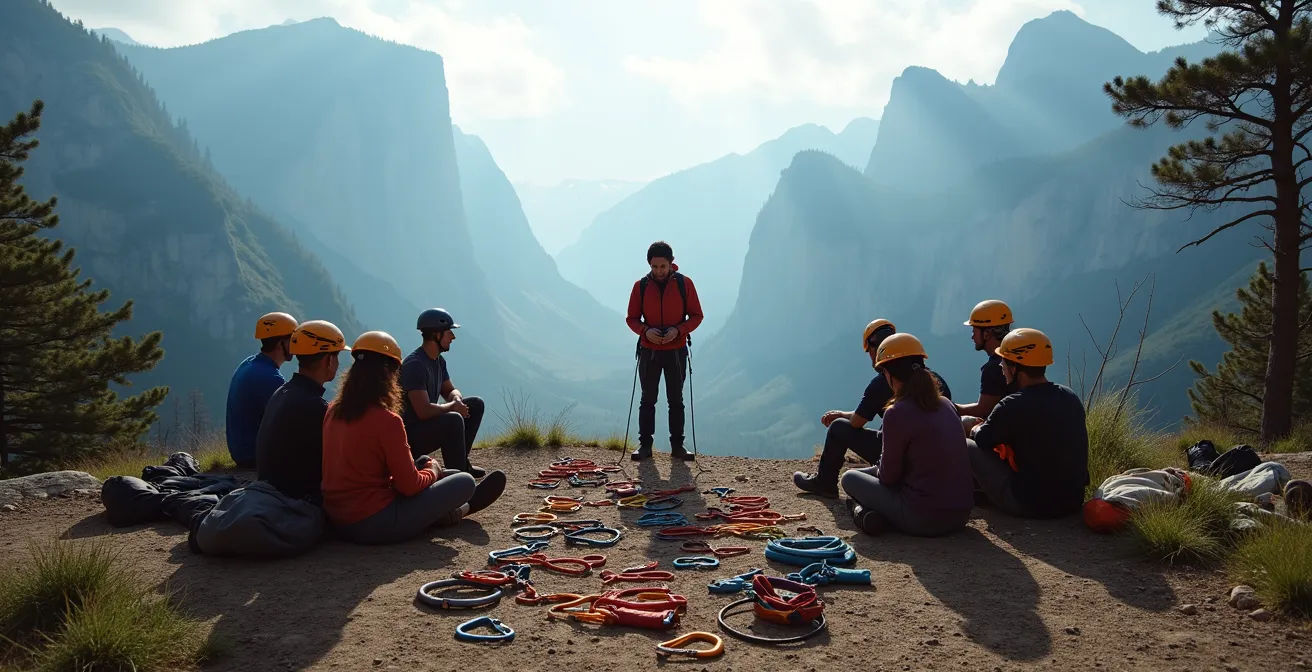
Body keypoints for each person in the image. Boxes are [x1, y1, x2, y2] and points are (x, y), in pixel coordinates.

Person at [321, 331, 506, 545]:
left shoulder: (333, 411)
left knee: (445, 472)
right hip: (374, 522)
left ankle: (439, 506)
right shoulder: (387, 421)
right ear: (387, 375)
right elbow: (409, 486)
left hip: (337, 518)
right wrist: (433, 469)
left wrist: (428, 470)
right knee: (463, 481)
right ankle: (461, 510)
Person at [794, 319, 953, 497]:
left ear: (874, 348)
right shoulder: (934, 381)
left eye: (869, 350)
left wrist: (841, 416)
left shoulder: (882, 384)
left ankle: (825, 482)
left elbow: (856, 422)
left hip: (907, 466)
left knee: (839, 428)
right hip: (941, 470)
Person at [839, 333, 973, 537]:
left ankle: (864, 513)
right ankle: (869, 512)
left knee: (849, 478)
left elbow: (888, 477)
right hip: (961, 515)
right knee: (865, 477)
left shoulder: (896, 413)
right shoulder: (946, 404)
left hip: (923, 519)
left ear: (890, 374)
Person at [966, 328, 1089, 519]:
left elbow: (983, 439)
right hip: (1072, 502)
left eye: (1004, 362)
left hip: (1029, 503)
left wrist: (975, 427)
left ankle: (955, 495)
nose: (1001, 367)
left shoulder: (1012, 404)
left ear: (1015, 367)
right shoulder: (1069, 397)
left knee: (966, 443)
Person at [625, 240, 704, 461]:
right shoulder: (640, 287)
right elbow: (631, 318)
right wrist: (644, 331)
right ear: (649, 265)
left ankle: (677, 446)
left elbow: (697, 315)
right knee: (648, 399)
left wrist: (678, 331)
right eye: (654, 267)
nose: (659, 271)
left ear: (671, 264)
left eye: (663, 266)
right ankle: (645, 446)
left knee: (676, 399)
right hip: (649, 351)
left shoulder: (684, 284)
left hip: (676, 351)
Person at [255, 320, 348, 505]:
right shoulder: (316, 408)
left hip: (272, 492)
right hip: (299, 501)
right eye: (336, 357)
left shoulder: (282, 392)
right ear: (328, 360)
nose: (337, 363)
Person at [400, 308, 486, 477]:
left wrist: (456, 399)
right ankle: (458, 481)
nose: (453, 337)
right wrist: (452, 407)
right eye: (449, 333)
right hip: (409, 437)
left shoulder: (438, 361)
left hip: (426, 426)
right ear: (436, 335)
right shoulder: (414, 365)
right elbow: (423, 411)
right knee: (452, 420)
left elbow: (449, 389)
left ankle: (461, 464)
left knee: (475, 404)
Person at [226, 311, 297, 468]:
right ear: (280, 344)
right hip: (253, 456)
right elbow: (290, 423)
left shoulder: (249, 363)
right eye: (292, 339)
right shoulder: (270, 378)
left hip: (241, 451)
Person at [954, 299, 1019, 428]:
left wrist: (949, 406)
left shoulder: (994, 368)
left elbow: (982, 410)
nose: (972, 336)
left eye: (974, 331)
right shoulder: (1017, 357)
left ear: (987, 334)